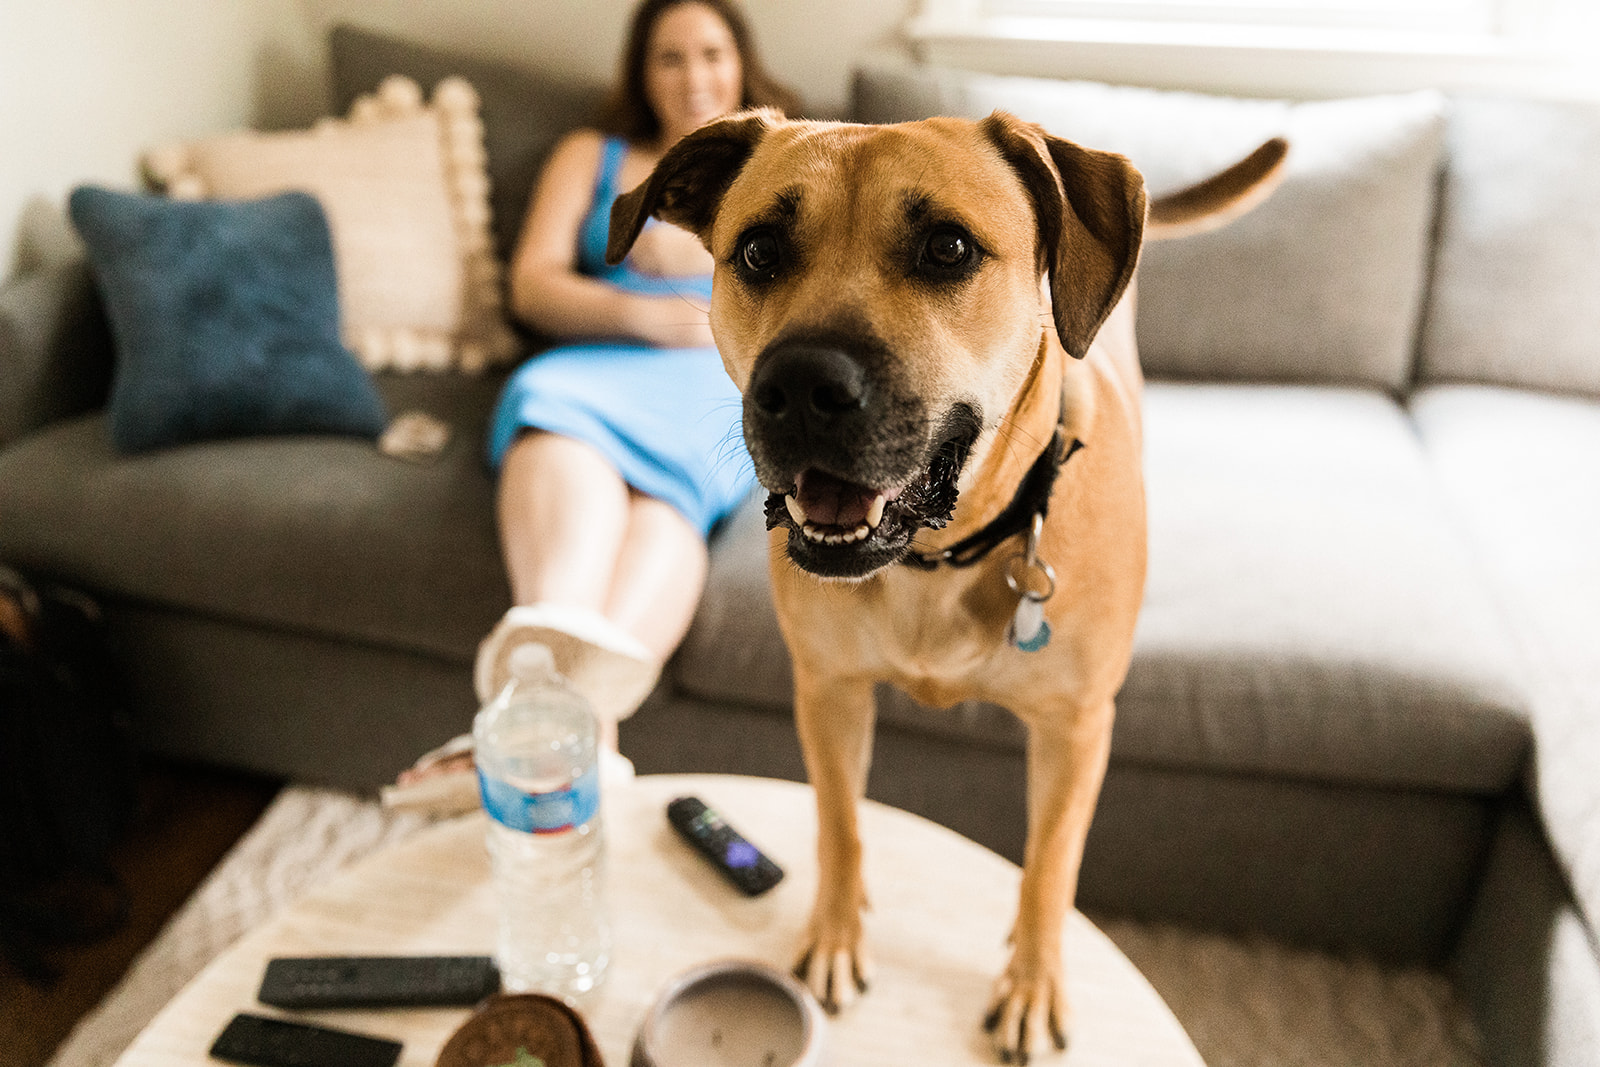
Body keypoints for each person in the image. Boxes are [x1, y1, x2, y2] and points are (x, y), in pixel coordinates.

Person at [389, 0, 800, 802]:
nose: (693, 78)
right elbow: (534, 283)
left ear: (741, 60)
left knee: (670, 500)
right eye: (669, 58)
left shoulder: (782, 160)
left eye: (711, 54)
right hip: (593, 366)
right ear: (641, 73)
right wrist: (648, 315)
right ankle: (574, 738)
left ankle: (523, 733)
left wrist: (707, 323)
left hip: (709, 379)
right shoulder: (594, 154)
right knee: (559, 422)